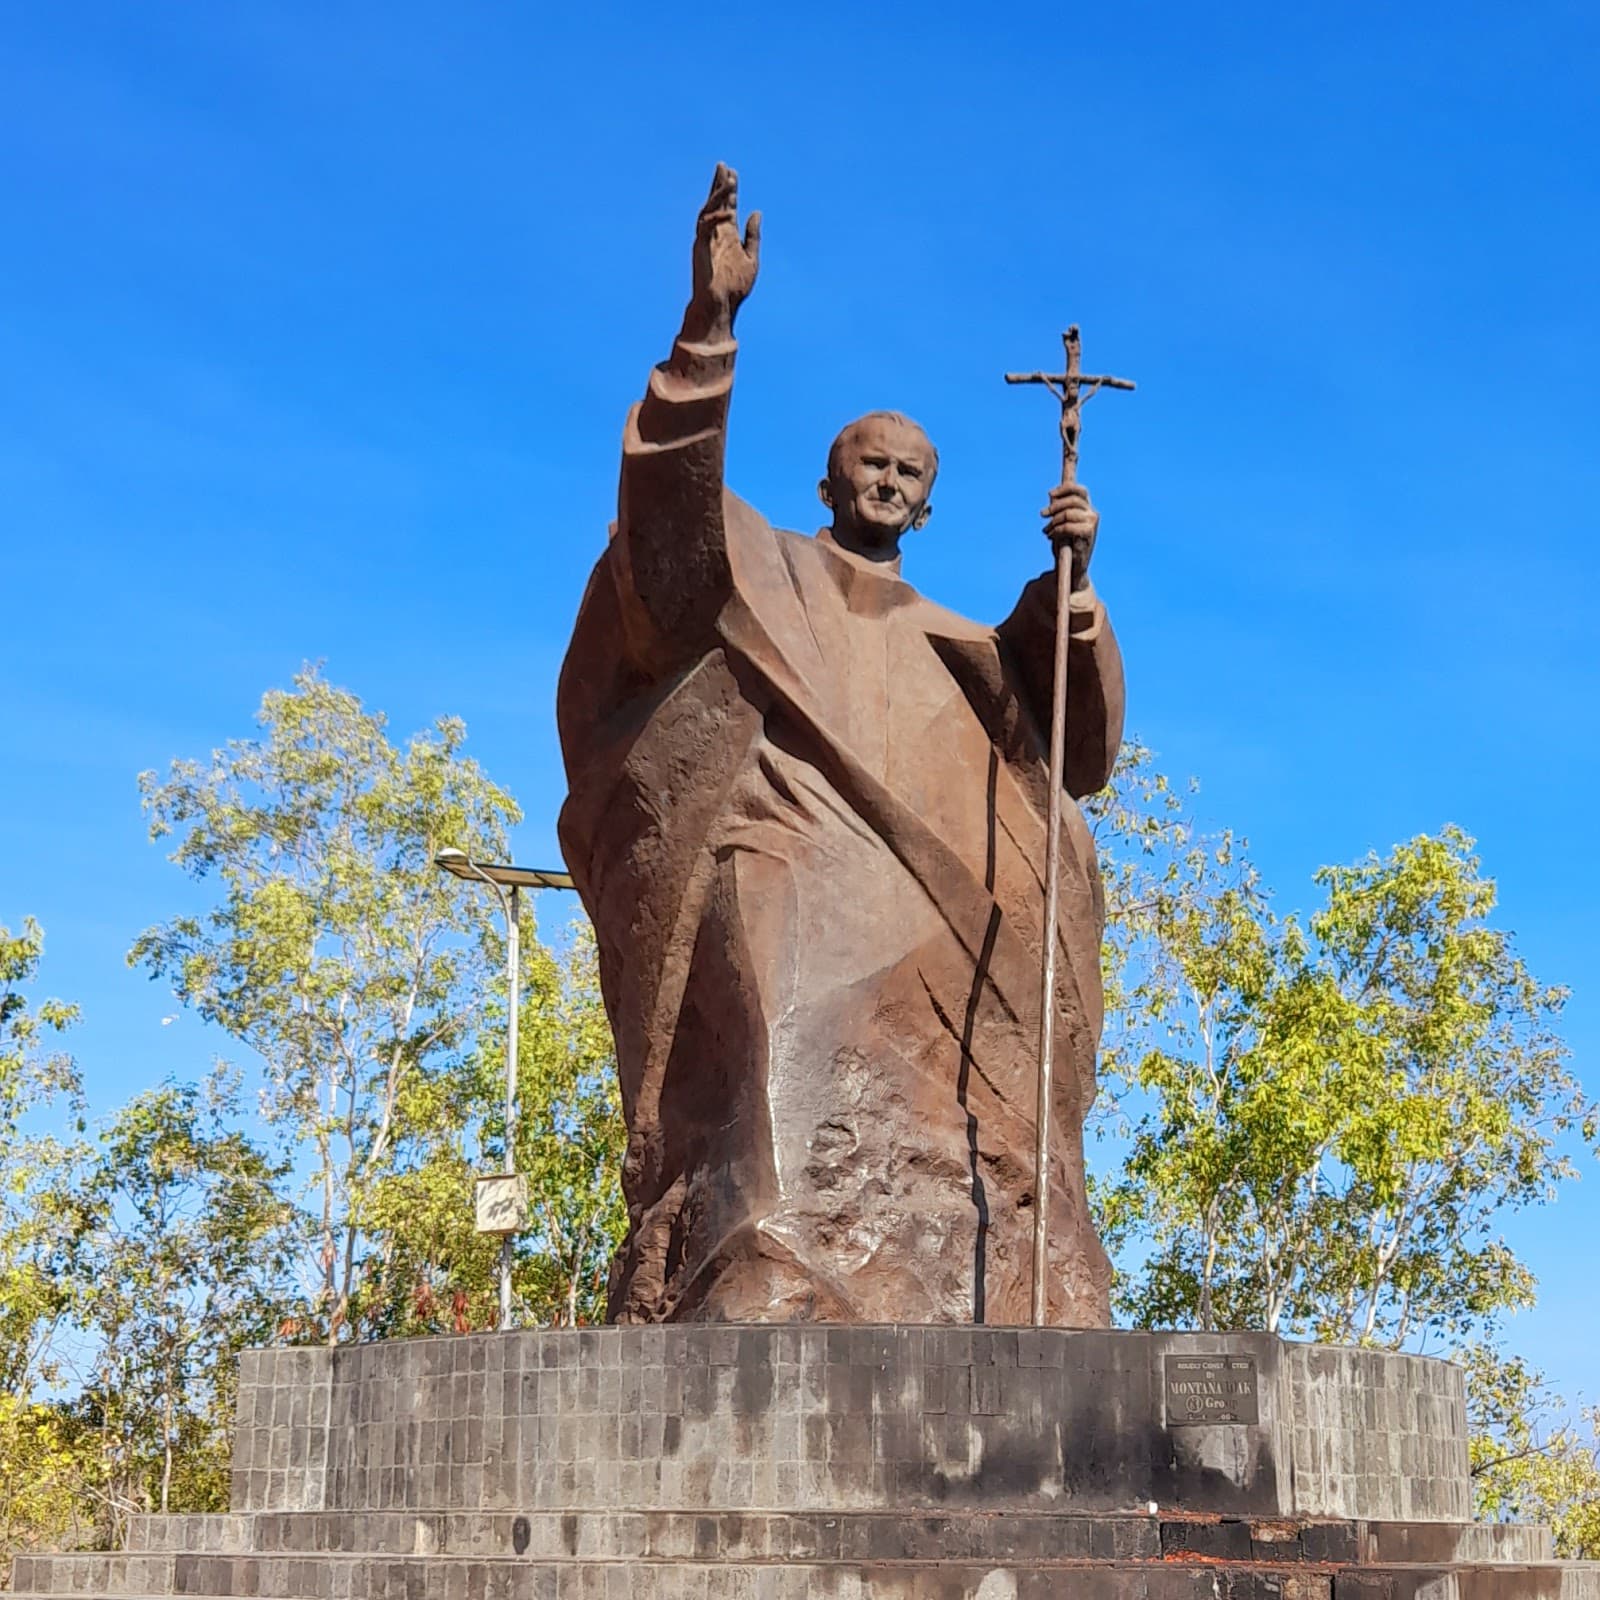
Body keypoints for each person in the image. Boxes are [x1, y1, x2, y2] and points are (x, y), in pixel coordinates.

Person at [557, 165, 1124, 1324]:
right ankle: (752, 1279)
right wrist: (707, 334)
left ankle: (982, 1284)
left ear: (928, 508)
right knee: (770, 1021)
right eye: (870, 460)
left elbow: (1077, 756)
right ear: (828, 475)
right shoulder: (758, 568)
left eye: (910, 474)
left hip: (935, 911)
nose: (887, 479)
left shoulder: (967, 643)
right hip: (782, 858)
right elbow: (660, 540)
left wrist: (1075, 593)